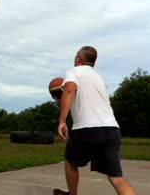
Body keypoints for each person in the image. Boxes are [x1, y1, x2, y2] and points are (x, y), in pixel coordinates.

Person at [54, 46, 136, 195]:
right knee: (116, 177)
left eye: (75, 55)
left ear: (78, 59)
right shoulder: (99, 78)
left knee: (70, 162)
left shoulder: (73, 71)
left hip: (87, 129)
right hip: (112, 130)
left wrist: (62, 121)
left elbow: (70, 89)